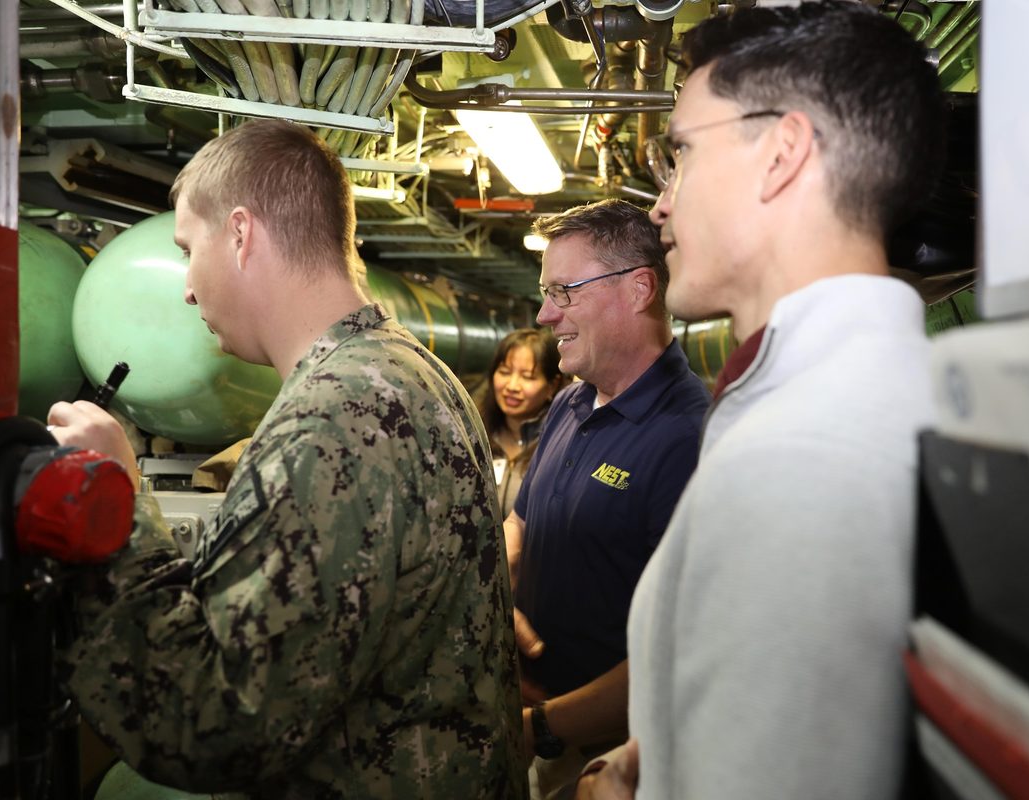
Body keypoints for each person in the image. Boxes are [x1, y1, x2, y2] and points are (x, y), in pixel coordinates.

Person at [48, 119, 528, 799]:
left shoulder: (330, 421)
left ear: (240, 234)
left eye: (188, 249)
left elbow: (210, 723)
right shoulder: (411, 370)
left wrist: (116, 501)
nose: (187, 288)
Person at [578, 3, 945, 798]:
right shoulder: (830, 401)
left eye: (679, 154)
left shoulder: (806, 458)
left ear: (781, 155)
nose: (660, 204)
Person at [505, 199, 711, 799]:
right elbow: (521, 523)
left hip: (605, 759)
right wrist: (498, 588)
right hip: (531, 719)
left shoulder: (689, 438)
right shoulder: (570, 403)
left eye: (564, 292)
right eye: (546, 293)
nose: (545, 314)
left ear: (639, 289)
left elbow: (680, 649)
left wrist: (543, 727)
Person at [475, 327, 567, 519]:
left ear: (552, 386)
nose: (512, 386)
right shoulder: (474, 432)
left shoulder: (559, 444)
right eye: (504, 372)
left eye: (527, 377)